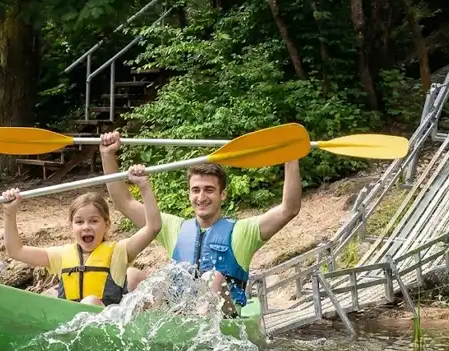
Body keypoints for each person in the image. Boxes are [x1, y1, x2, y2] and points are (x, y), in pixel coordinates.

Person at [98, 130, 302, 317]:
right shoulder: (174, 227)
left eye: (209, 190)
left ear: (223, 195)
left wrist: (290, 159)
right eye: (196, 190)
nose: (201, 197)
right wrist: (108, 155)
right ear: (189, 194)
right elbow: (124, 203)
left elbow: (288, 209)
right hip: (181, 310)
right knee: (134, 276)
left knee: (211, 277)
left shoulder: (242, 231)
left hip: (223, 317)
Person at [2, 164, 162, 307]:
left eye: (93, 221)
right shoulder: (61, 255)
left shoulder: (119, 252)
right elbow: (15, 251)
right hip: (71, 325)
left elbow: (153, 228)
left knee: (93, 300)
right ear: (71, 226)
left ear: (106, 225)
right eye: (79, 222)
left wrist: (144, 187)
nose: (86, 227)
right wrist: (10, 213)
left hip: (104, 325)